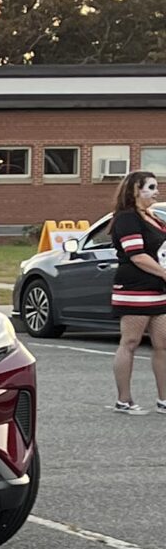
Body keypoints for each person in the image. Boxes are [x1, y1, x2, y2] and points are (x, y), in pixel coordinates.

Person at [107, 169, 166, 410]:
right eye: (150, 187)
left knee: (163, 343)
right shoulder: (127, 218)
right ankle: (124, 399)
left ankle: (163, 399)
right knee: (130, 341)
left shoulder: (153, 218)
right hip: (135, 287)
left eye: (156, 187)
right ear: (135, 190)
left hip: (158, 288)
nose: (156, 192)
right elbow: (137, 255)